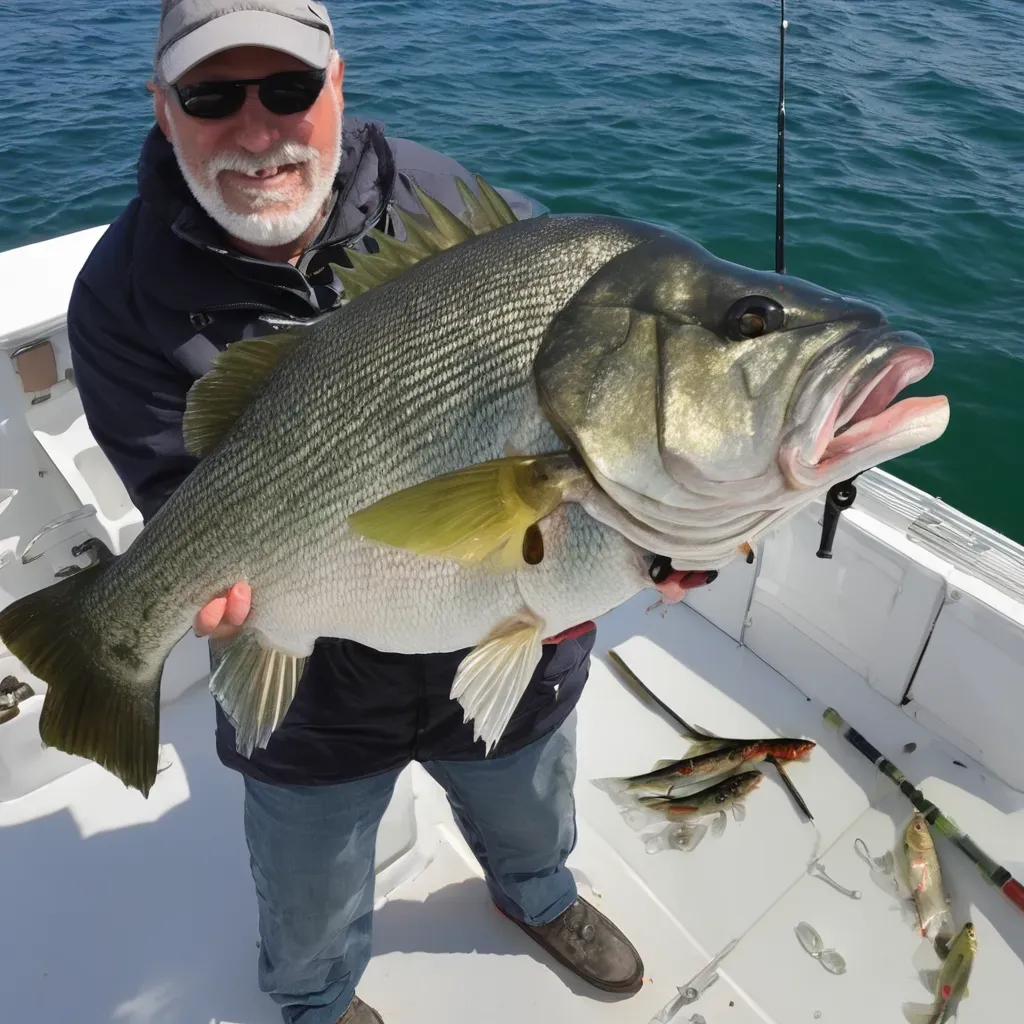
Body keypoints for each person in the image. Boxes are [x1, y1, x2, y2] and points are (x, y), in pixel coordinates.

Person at [65, 3, 650, 1022]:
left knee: (531, 809)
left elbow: (607, 426)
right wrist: (193, 604)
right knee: (310, 892)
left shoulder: (478, 222)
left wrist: (671, 537)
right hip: (313, 691)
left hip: (507, 634)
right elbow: (181, 493)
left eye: (287, 89)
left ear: (337, 83)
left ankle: (539, 897)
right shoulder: (119, 295)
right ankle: (316, 1000)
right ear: (163, 110)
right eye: (212, 97)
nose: (256, 131)